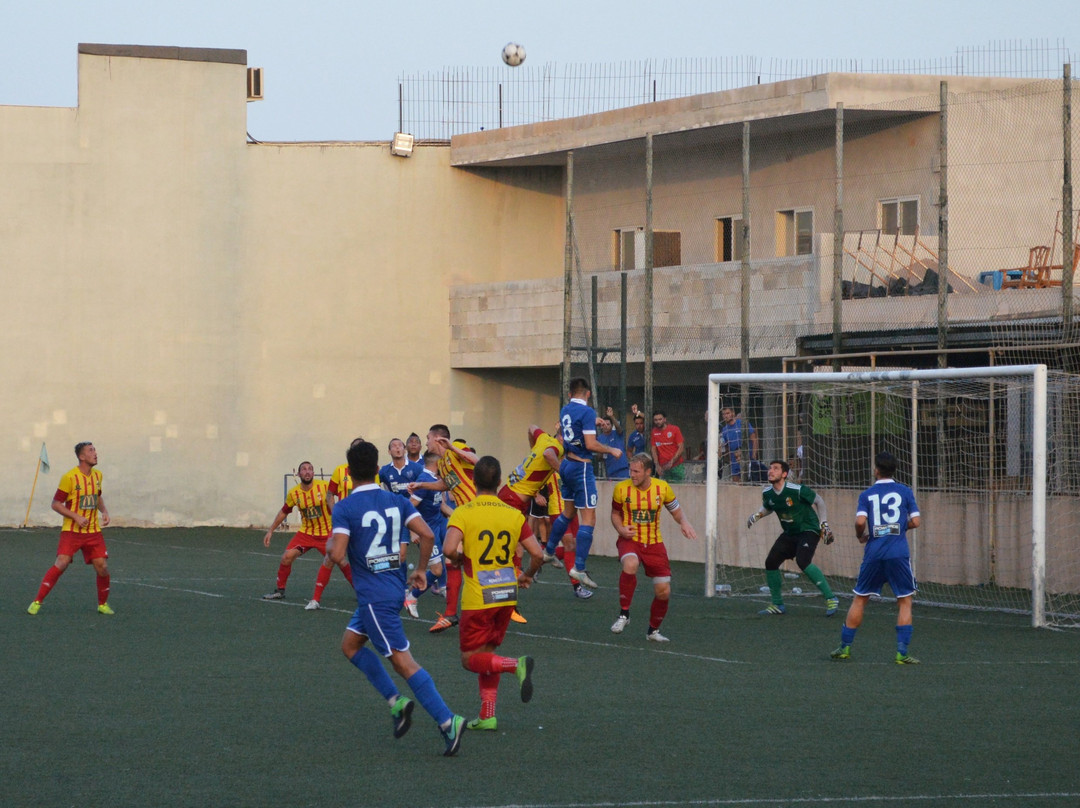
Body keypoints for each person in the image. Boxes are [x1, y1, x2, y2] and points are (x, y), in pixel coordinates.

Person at [328, 440, 466, 756]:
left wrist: (331, 547)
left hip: (375, 598)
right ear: (377, 470)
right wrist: (420, 569)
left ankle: (448, 721)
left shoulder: (345, 507)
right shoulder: (396, 500)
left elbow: (337, 554)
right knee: (350, 645)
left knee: (403, 662)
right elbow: (428, 535)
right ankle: (397, 702)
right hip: (390, 589)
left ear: (349, 473)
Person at [443, 455, 543, 731]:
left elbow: (449, 549)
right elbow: (537, 553)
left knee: (469, 659)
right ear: (500, 482)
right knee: (487, 654)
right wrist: (526, 576)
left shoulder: (464, 511)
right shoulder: (513, 514)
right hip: (506, 594)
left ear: (473, 480)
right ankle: (488, 715)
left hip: (478, 596)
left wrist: (460, 559)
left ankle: (515, 665)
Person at [831, 452, 922, 664]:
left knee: (860, 599)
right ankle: (902, 653)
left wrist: (860, 535)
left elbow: (860, 521)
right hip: (898, 554)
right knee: (905, 600)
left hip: (874, 553)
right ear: (895, 470)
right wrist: (897, 528)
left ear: (876, 470)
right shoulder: (905, 492)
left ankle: (844, 648)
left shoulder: (867, 494)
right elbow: (916, 522)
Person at [541, 377, 623, 588]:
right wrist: (611, 449)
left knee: (568, 513)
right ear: (588, 394)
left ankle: (549, 551)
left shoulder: (565, 410)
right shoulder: (587, 412)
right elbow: (590, 443)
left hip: (566, 464)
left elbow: (575, 428)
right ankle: (579, 567)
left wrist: (594, 421)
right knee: (589, 517)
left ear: (570, 394)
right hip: (581, 467)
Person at [609, 453, 698, 642]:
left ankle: (653, 631)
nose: (632, 475)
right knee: (630, 564)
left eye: (636, 471)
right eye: (630, 470)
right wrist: (621, 529)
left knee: (663, 591)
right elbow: (615, 514)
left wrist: (685, 523)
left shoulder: (662, 488)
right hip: (630, 539)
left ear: (648, 471)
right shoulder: (621, 489)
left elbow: (676, 511)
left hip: (654, 543)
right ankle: (624, 614)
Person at [407, 425, 478, 633]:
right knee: (451, 560)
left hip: (478, 513)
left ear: (438, 439)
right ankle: (450, 614)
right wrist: (422, 486)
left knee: (473, 564)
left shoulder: (456, 448)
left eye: (428, 438)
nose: (426, 442)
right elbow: (446, 485)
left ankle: (496, 608)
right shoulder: (443, 464)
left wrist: (453, 449)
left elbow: (478, 461)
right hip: (463, 516)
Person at [28, 442, 113, 615]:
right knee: (62, 562)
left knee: (102, 567)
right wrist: (75, 516)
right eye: (91, 451)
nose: (95, 453)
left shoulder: (98, 476)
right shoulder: (70, 477)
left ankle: (102, 604)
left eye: (95, 450)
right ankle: (37, 601)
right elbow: (56, 504)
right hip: (72, 531)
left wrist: (104, 511)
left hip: (93, 532)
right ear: (82, 457)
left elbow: (97, 497)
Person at [746, 460, 839, 616]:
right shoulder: (767, 493)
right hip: (790, 532)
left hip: (808, 529)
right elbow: (769, 506)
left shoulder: (796, 489)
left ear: (784, 474)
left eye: (775, 469)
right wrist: (757, 515)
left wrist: (823, 523)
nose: (770, 471)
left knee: (803, 561)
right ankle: (777, 605)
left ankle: (831, 598)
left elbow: (819, 501)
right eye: (770, 468)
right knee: (771, 562)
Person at [261, 461, 353, 610]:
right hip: (307, 533)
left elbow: (341, 494)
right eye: (304, 469)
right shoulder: (294, 493)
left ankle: (359, 590)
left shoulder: (324, 486)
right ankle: (280, 590)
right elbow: (284, 511)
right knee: (286, 557)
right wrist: (271, 530)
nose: (307, 472)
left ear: (313, 473)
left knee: (341, 561)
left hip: (327, 532)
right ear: (298, 474)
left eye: (310, 469)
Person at [403, 450, 449, 619]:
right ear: (438, 464)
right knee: (436, 570)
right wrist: (413, 530)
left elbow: (440, 505)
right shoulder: (424, 480)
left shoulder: (434, 481)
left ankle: (444, 588)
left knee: (453, 554)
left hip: (438, 525)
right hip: (427, 531)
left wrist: (458, 516)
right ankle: (411, 597)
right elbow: (409, 507)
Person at [720, 406, 759, 483]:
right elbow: (725, 447)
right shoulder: (724, 430)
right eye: (723, 414)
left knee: (750, 481)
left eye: (727, 413)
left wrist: (754, 455)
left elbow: (754, 439)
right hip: (734, 460)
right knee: (736, 483)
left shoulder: (742, 424)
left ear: (733, 413)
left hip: (747, 458)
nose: (726, 416)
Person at [650, 410, 686, 483]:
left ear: (665, 419)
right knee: (664, 489)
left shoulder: (674, 429)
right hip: (663, 467)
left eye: (660, 419)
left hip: (677, 465)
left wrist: (672, 461)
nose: (658, 422)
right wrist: (657, 465)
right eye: (656, 420)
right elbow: (653, 449)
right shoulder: (654, 432)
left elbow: (681, 447)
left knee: (680, 488)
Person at [596, 407, 630, 480]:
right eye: (604, 424)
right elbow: (599, 458)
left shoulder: (617, 433)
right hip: (610, 471)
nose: (606, 426)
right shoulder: (599, 438)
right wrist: (603, 451)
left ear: (612, 425)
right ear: (601, 426)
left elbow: (618, 427)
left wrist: (611, 416)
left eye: (608, 424)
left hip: (623, 469)